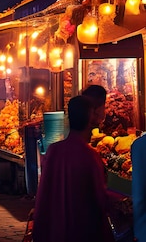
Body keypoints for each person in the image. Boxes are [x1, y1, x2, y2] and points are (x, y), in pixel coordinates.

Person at [32, 95, 114, 242]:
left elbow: (44, 194)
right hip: (82, 231)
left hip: (55, 231)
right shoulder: (90, 156)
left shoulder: (53, 151)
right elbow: (99, 200)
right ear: (90, 120)